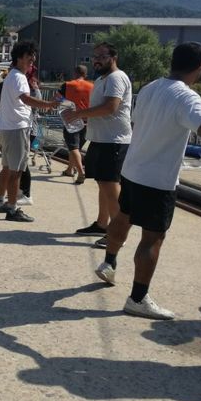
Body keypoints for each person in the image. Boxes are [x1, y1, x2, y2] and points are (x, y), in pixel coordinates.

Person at [89, 42, 201, 320]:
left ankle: (109, 263)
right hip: (158, 179)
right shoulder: (188, 98)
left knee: (122, 218)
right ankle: (138, 298)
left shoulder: (152, 87)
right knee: (153, 238)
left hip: (133, 169)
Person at [66, 42, 132, 248]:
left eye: (102, 56)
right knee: (103, 184)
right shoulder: (103, 79)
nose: (97, 59)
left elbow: (110, 107)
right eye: (95, 56)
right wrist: (84, 117)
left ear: (114, 57)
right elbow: (100, 109)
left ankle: (117, 233)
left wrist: (78, 114)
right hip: (101, 138)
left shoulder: (116, 78)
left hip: (114, 141)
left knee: (111, 187)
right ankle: (103, 224)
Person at [0, 41, 55, 222]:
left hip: (7, 128)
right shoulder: (19, 77)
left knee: (6, 168)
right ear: (19, 58)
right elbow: (26, 99)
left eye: (33, 57)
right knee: (16, 171)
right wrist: (48, 105)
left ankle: (0, 202)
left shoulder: (11, 76)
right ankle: (12, 209)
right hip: (17, 128)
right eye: (30, 57)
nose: (32, 61)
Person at [59, 65, 93, 184]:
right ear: (85, 74)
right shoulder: (92, 86)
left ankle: (80, 172)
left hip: (71, 120)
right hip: (88, 120)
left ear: (75, 73)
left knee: (73, 147)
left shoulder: (67, 85)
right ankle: (69, 169)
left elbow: (57, 99)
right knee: (76, 148)